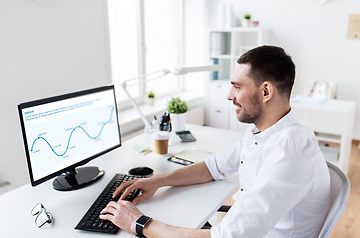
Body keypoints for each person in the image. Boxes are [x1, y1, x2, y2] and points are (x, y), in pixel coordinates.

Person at [100, 45, 330, 238]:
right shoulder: (264, 131)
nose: (229, 95)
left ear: (266, 91)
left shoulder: (289, 154)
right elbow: (214, 167)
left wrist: (139, 224)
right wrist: (158, 181)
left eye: (237, 86)